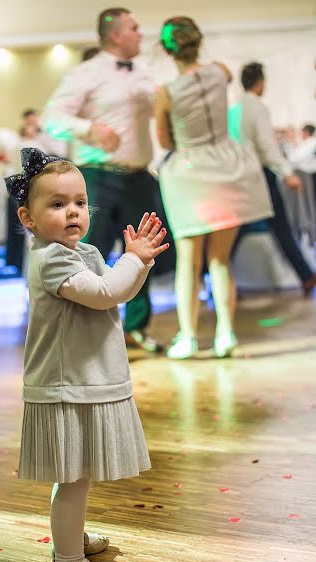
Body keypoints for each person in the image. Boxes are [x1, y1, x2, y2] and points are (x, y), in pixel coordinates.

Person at [4, 147, 169, 562]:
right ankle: (66, 561)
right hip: (63, 387)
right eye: (57, 204)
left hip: (80, 381)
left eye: (79, 202)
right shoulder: (50, 258)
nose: (73, 211)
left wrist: (141, 260)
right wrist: (133, 259)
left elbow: (118, 294)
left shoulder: (84, 251)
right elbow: (102, 293)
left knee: (78, 475)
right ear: (28, 217)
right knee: (72, 478)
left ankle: (71, 538)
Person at [41, 7, 175, 352]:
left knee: (145, 254)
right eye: (135, 27)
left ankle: (136, 328)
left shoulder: (145, 72)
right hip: (97, 177)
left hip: (140, 176)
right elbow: (52, 118)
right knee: (88, 253)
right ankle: (89, 332)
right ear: (115, 34)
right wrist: (91, 129)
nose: (141, 33)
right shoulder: (86, 73)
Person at [155, 17, 272, 359]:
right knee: (220, 260)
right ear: (198, 41)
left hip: (189, 174)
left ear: (166, 49)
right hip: (226, 168)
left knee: (188, 262)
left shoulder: (165, 93)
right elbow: (220, 80)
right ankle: (225, 333)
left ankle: (188, 338)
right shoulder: (221, 71)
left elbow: (164, 140)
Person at [232, 62, 316, 296]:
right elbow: (267, 146)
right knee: (280, 225)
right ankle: (306, 276)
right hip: (259, 175)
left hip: (241, 175)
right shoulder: (256, 107)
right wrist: (287, 173)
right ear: (260, 82)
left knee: (237, 228)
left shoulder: (236, 109)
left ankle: (212, 276)